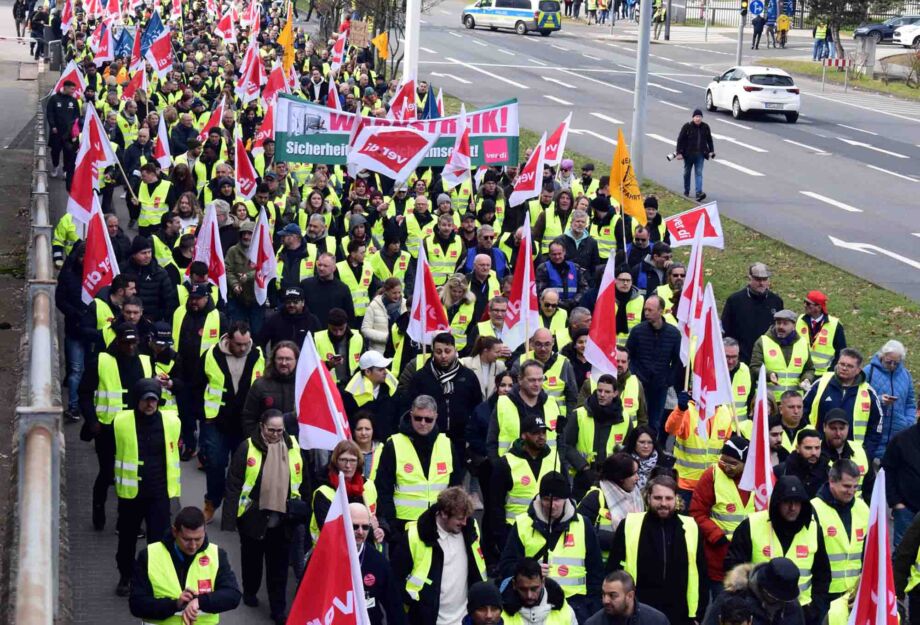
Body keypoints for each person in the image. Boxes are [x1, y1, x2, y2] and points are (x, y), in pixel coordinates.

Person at [221, 409, 306, 625]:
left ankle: (278, 610)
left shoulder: (293, 446)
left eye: (280, 431)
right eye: (271, 430)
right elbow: (234, 484)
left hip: (283, 520)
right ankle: (250, 590)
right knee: (252, 562)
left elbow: (304, 481)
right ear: (261, 427)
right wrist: (230, 520)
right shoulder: (246, 448)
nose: (276, 435)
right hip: (253, 518)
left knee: (278, 569)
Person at [500, 471, 604, 623]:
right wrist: (530, 570)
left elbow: (596, 572)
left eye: (557, 499)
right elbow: (506, 567)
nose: (551, 505)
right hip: (532, 606)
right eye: (547, 499)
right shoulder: (523, 524)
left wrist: (592, 608)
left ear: (566, 499)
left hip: (577, 605)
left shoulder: (583, 524)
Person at [79, 322, 154, 531]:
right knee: (107, 472)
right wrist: (92, 421)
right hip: (107, 429)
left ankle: (128, 519)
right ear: (118, 342)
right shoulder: (101, 361)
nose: (131, 348)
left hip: (136, 428)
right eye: (126, 343)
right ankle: (98, 506)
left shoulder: (146, 362)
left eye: (134, 343)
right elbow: (84, 393)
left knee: (130, 474)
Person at [110, 377, 181, 595]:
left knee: (159, 541)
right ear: (136, 401)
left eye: (153, 400)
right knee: (127, 538)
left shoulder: (171, 422)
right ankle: (126, 576)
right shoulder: (121, 421)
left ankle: (153, 579)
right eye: (145, 400)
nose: (150, 404)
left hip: (159, 493)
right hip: (131, 494)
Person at [725, 476, 831, 615]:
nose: (792, 508)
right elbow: (733, 567)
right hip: (758, 610)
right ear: (777, 502)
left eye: (797, 502)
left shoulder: (813, 529)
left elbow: (822, 574)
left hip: (801, 611)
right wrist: (746, 605)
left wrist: (816, 609)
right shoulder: (751, 525)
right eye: (787, 502)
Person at [610, 475, 707, 625]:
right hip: (638, 611)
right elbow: (613, 568)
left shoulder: (691, 527)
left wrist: (698, 615)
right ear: (648, 498)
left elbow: (701, 572)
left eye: (668, 498)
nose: (663, 503)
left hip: (681, 613)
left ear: (676, 499)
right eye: (658, 498)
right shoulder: (629, 524)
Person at [198, 321, 265, 523]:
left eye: (246, 344)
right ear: (228, 339)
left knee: (243, 468)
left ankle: (237, 507)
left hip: (245, 422)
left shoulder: (257, 355)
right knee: (216, 464)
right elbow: (197, 385)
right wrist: (200, 416)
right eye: (238, 344)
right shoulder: (211, 354)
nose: (243, 348)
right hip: (216, 421)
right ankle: (212, 502)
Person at [391, 487, 488, 625]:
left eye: (466, 517)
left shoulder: (471, 530)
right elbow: (396, 579)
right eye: (460, 518)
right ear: (443, 513)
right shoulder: (414, 536)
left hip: (466, 619)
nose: (465, 523)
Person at [129, 506, 241, 622]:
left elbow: (233, 595)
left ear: (204, 531)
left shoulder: (217, 555)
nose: (193, 545)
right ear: (174, 532)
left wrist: (199, 602)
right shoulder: (149, 555)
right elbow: (136, 604)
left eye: (198, 539)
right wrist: (175, 604)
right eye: (187, 539)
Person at [374, 395, 463, 538]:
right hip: (403, 525)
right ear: (411, 415)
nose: (423, 423)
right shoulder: (394, 444)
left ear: (436, 417)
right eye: (418, 418)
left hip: (439, 524)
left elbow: (456, 488)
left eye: (428, 419)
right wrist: (392, 527)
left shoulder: (446, 444)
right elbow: (383, 490)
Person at [490, 414, 564, 551]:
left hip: (549, 529)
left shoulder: (555, 458)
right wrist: (502, 538)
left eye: (544, 432)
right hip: (515, 531)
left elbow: (566, 496)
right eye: (535, 433)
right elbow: (495, 506)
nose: (541, 436)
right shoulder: (506, 463)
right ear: (523, 435)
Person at [689, 437, 752, 594]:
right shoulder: (712, 475)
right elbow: (697, 512)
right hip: (719, 556)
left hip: (752, 558)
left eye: (733, 463)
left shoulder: (761, 480)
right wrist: (716, 536)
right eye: (723, 461)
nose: (726, 467)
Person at [407, 332, 483, 446]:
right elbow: (409, 406)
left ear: (455, 350)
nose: (443, 356)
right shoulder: (420, 377)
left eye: (447, 351)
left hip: (460, 439)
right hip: (428, 438)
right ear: (433, 352)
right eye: (438, 352)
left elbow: (477, 407)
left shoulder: (468, 376)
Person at [566, 374, 631, 501]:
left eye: (607, 392)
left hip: (612, 479)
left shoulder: (625, 419)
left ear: (615, 393)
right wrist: (583, 466)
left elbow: (628, 450)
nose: (602, 394)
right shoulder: (579, 415)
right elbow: (567, 445)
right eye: (599, 390)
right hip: (583, 476)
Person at [625, 295, 682, 440]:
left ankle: (652, 450)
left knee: (655, 421)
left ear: (661, 311)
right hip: (640, 384)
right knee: (639, 420)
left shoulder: (673, 334)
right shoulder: (638, 331)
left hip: (659, 386)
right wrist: (635, 375)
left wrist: (668, 380)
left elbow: (677, 361)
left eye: (650, 310)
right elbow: (629, 355)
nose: (646, 313)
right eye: (645, 309)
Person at [666, 391, 737, 504]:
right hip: (686, 485)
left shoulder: (725, 412)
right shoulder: (687, 409)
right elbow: (671, 429)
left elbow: (726, 445)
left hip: (712, 484)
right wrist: (679, 410)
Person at [810, 459, 868, 597]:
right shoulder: (814, 509)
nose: (851, 491)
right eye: (846, 486)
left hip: (855, 591)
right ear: (831, 481)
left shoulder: (863, 508)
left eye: (855, 487)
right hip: (824, 592)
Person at [802, 347, 881, 444]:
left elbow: (876, 426)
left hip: (853, 452)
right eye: (842, 364)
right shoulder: (821, 383)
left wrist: (866, 452)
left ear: (858, 370)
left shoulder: (868, 393)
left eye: (849, 366)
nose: (844, 368)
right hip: (819, 448)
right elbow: (802, 411)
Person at [488, 360, 563, 462]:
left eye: (540, 379)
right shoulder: (504, 403)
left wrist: (558, 465)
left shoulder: (551, 403)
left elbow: (561, 441)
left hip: (546, 469)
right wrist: (498, 467)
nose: (537, 384)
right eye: (532, 380)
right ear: (520, 380)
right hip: (512, 469)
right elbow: (492, 441)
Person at [577, 453, 645, 563]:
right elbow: (580, 531)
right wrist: (619, 539)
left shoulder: (637, 496)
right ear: (621, 477)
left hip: (630, 564)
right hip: (602, 565)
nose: (637, 478)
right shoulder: (595, 498)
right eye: (634, 474)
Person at [310, 440, 381, 542]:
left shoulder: (368, 486)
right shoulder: (323, 493)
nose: (348, 466)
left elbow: (381, 515)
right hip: (333, 553)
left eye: (352, 460)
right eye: (343, 460)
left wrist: (381, 529)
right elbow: (330, 531)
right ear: (335, 462)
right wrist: (369, 530)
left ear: (358, 462)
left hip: (365, 552)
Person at [350, 502, 406, 625]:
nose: (360, 532)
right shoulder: (325, 557)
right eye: (355, 526)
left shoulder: (378, 561)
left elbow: (394, 606)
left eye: (365, 527)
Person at [701, 558, 805, 625]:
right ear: (763, 587)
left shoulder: (791, 604)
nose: (778, 601)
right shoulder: (731, 599)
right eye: (775, 597)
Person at [720, 263, 784, 364]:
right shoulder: (735, 300)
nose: (762, 283)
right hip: (740, 358)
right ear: (750, 278)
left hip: (767, 358)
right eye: (758, 279)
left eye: (765, 279)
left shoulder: (776, 302)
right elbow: (725, 329)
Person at [863, 340, 916, 461]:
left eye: (896, 363)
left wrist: (908, 422)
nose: (892, 366)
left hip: (899, 434)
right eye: (889, 362)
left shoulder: (906, 375)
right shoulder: (868, 371)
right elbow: (860, 399)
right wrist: (880, 401)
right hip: (875, 433)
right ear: (882, 356)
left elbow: (910, 402)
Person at [750, 309, 815, 403]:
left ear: (794, 325)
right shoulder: (763, 341)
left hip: (794, 403)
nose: (780, 326)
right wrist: (769, 375)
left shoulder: (803, 343)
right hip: (769, 402)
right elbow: (754, 367)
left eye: (785, 324)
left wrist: (806, 379)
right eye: (778, 323)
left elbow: (809, 368)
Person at [240, 341, 299, 437]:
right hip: (266, 445)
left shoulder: (304, 387)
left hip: (296, 446)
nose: (284, 363)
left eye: (288, 359)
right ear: (273, 360)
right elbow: (249, 418)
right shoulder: (260, 385)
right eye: (280, 359)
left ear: (296, 361)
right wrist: (257, 441)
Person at [500, 557, 578, 624]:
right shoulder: (499, 613)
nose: (529, 595)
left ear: (543, 582)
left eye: (534, 589)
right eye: (523, 589)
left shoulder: (565, 611)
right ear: (514, 584)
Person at [120, 236, 179, 323]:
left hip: (152, 321)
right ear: (134, 254)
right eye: (143, 253)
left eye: (149, 252)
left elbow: (169, 302)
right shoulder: (122, 270)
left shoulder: (160, 274)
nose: (148, 256)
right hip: (127, 320)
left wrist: (155, 318)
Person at [882, 418, 920, 547]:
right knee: (901, 557)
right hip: (906, 511)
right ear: (918, 411)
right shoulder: (901, 439)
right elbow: (887, 470)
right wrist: (895, 502)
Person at [795, 290, 846, 376]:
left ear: (818, 307)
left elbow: (841, 352)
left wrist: (831, 371)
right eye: (804, 302)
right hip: (802, 372)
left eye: (808, 304)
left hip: (823, 375)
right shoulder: (799, 320)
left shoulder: (835, 325)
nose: (805, 305)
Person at [300, 252, 355, 325]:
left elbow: (350, 316)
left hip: (333, 332)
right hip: (310, 330)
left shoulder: (342, 289)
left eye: (325, 266)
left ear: (334, 268)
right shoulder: (306, 285)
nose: (321, 268)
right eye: (319, 265)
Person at [773, 429, 828, 498]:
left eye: (817, 448)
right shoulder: (781, 471)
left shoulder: (829, 471)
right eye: (808, 448)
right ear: (798, 448)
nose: (814, 453)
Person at [674, 109, 715, 202]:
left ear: (702, 118)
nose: (698, 118)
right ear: (693, 117)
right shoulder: (687, 127)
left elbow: (709, 140)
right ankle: (686, 190)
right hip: (688, 154)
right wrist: (679, 153)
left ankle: (698, 193)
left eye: (699, 117)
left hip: (700, 154)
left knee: (699, 173)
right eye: (696, 117)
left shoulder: (705, 127)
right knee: (686, 173)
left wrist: (711, 151)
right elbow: (680, 139)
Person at [362, 278, 407, 353]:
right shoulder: (374, 305)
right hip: (379, 351)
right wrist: (387, 337)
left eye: (399, 292)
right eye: (394, 293)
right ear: (386, 292)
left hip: (400, 351)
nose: (397, 295)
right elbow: (365, 329)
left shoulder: (405, 304)